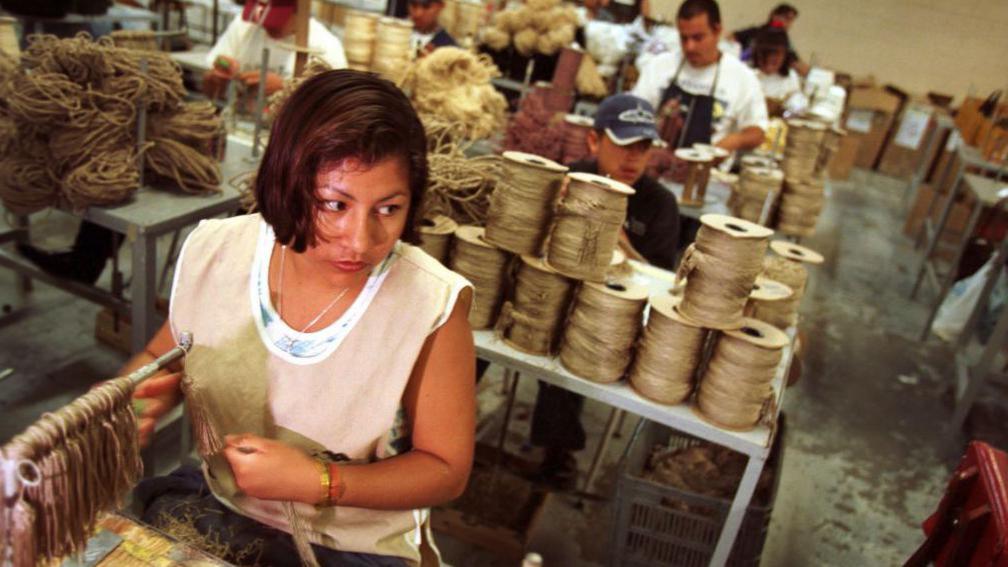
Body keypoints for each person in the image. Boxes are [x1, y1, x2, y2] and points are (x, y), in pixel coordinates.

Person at [128, 70, 475, 566]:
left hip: (351, 544)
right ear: (289, 182)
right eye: (334, 204)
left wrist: (320, 482)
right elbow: (161, 361)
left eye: (388, 208)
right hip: (224, 504)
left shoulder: (429, 307)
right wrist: (133, 402)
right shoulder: (219, 252)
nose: (360, 240)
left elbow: (445, 469)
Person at [532, 93, 680, 487]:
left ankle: (558, 452)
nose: (634, 159)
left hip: (615, 315)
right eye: (624, 146)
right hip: (557, 291)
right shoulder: (571, 179)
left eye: (644, 148)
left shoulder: (659, 204)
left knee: (574, 341)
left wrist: (617, 237)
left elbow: (662, 286)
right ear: (595, 141)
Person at [632, 0, 768, 153]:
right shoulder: (659, 66)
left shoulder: (743, 78)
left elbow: (757, 132)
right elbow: (633, 112)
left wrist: (732, 141)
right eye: (684, 38)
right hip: (654, 163)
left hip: (707, 172)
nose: (690, 47)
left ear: (717, 31)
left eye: (698, 38)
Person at [203, 0, 348, 100]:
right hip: (239, 128)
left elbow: (335, 111)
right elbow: (209, 90)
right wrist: (216, 77)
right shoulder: (243, 27)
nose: (263, 25)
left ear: (300, 11)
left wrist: (286, 90)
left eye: (274, 20)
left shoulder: (325, 48)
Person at [730, 3, 809, 76]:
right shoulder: (754, 32)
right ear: (774, 16)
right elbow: (731, 38)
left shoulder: (785, 42)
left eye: (791, 20)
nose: (788, 24)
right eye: (786, 18)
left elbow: (796, 62)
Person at [751, 27, 807, 116]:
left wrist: (782, 109)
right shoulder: (748, 75)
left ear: (785, 56)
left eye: (775, 59)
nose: (770, 59)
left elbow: (799, 106)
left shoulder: (790, 78)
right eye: (766, 55)